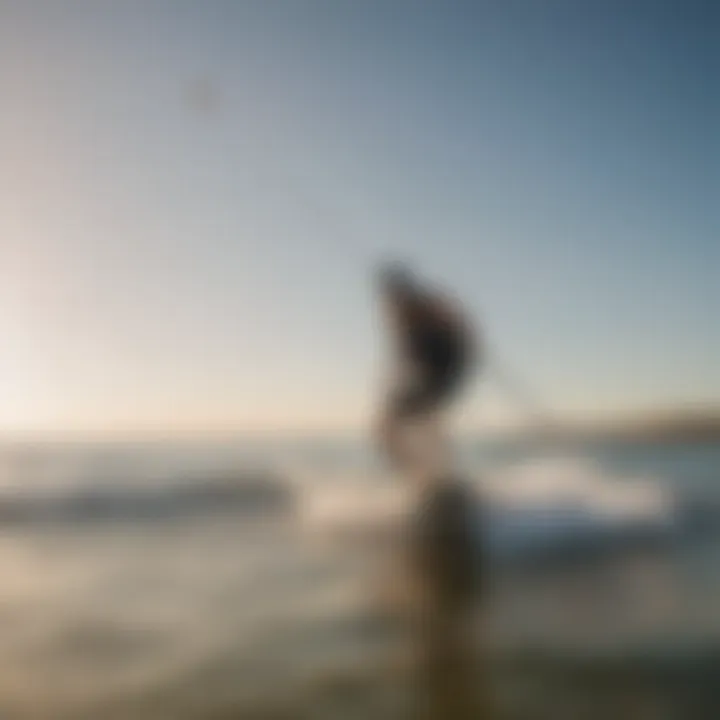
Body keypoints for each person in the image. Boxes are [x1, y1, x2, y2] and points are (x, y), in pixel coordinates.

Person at [375, 262, 478, 474]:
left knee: (397, 426)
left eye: (391, 293)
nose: (388, 299)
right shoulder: (406, 315)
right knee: (396, 428)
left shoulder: (424, 308)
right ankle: (429, 478)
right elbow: (404, 357)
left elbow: (459, 340)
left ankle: (435, 480)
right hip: (430, 378)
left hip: (441, 375)